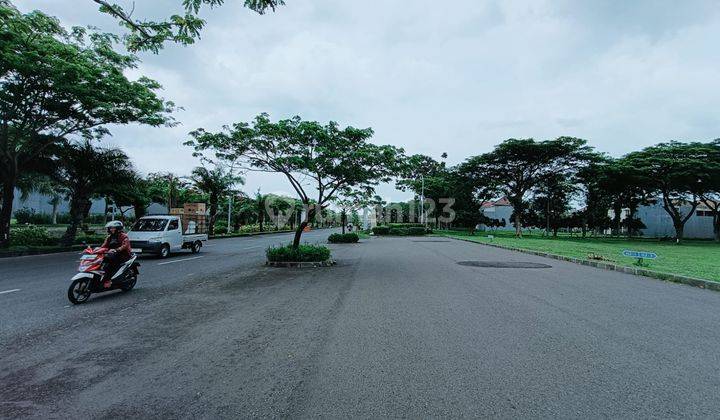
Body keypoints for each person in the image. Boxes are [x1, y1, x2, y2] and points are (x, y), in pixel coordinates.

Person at [101, 220, 132, 288]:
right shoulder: (109, 237)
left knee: (109, 265)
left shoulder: (124, 236)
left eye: (113, 228)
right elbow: (104, 245)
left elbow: (124, 246)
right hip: (112, 254)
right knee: (101, 261)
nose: (111, 229)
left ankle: (108, 280)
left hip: (123, 255)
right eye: (110, 228)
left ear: (118, 228)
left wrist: (116, 250)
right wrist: (96, 250)